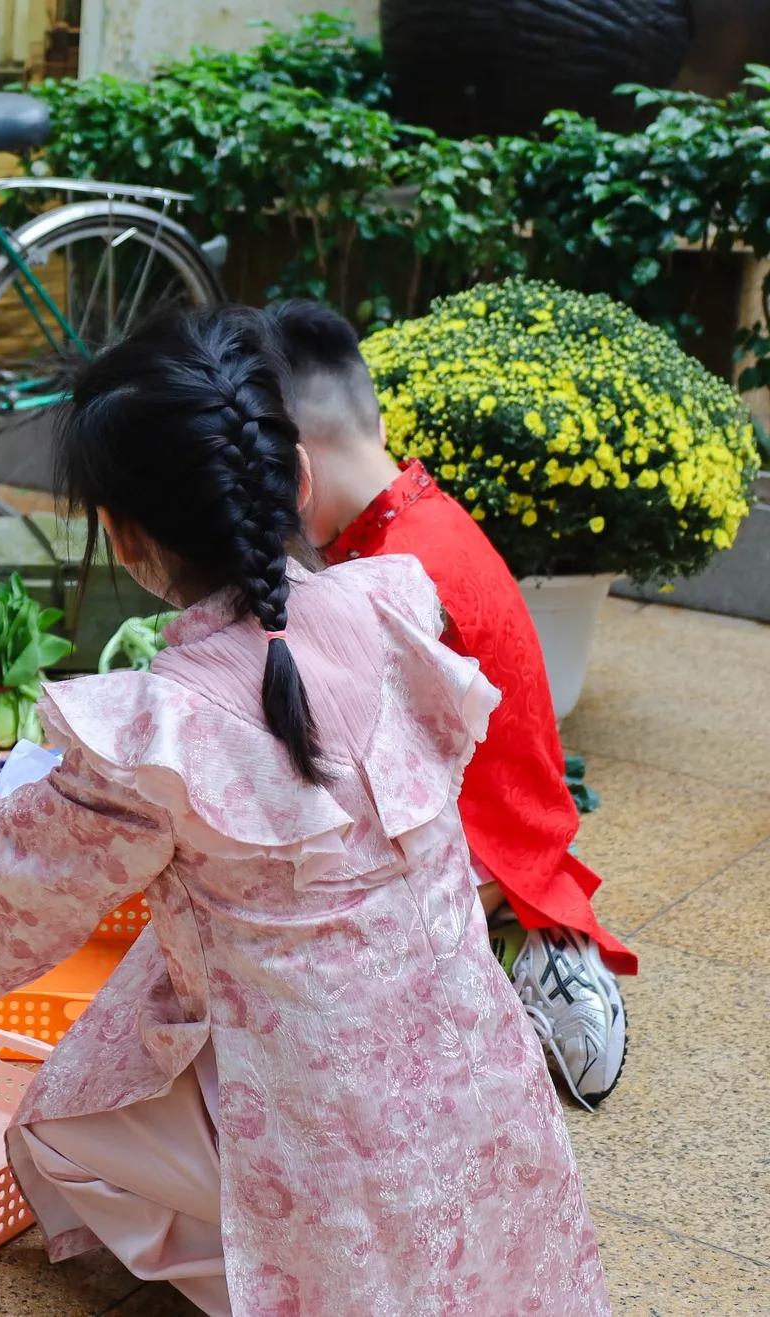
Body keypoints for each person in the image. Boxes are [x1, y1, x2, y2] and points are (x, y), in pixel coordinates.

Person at [0, 307, 608, 1315]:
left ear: (121, 534)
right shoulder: (395, 604)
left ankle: (272, 1271)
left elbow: (1, 891)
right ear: (292, 480)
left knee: (62, 1125)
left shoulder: (156, 730)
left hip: (320, 1125)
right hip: (480, 1082)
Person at [270, 299, 632, 1107]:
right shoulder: (414, 518)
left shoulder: (401, 576)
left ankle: (512, 962)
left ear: (292, 466)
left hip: (484, 851)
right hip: (515, 825)